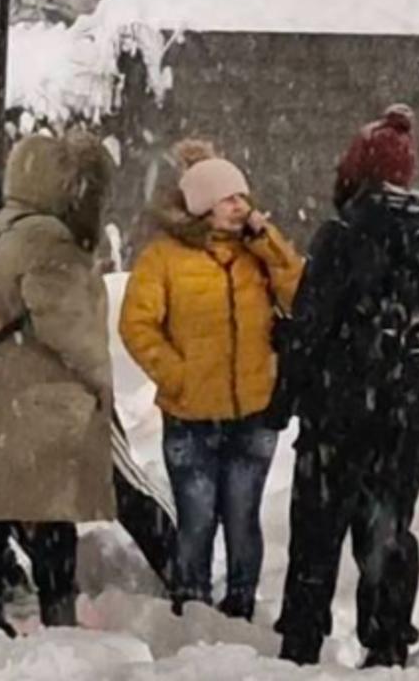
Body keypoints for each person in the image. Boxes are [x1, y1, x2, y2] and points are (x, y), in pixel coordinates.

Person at [274, 106, 419, 669]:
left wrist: (283, 398)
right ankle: (386, 641)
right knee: (387, 531)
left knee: (316, 534)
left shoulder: (342, 234)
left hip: (337, 412)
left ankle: (302, 644)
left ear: (355, 171)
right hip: (405, 420)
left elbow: (312, 328)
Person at [119, 140, 303, 620]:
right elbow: (137, 325)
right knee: (197, 520)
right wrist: (176, 374)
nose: (242, 205)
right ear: (201, 205)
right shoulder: (163, 258)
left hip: (254, 411)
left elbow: (303, 296)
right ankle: (191, 602)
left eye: (243, 196)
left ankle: (241, 604)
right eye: (229, 198)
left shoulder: (258, 251)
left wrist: (270, 244)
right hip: (190, 415)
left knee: (243, 519)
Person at [0, 130, 117, 636]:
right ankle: (59, 621)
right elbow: (66, 322)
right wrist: (99, 379)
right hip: (38, 401)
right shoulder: (48, 241)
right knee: (50, 519)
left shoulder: (1, 229)